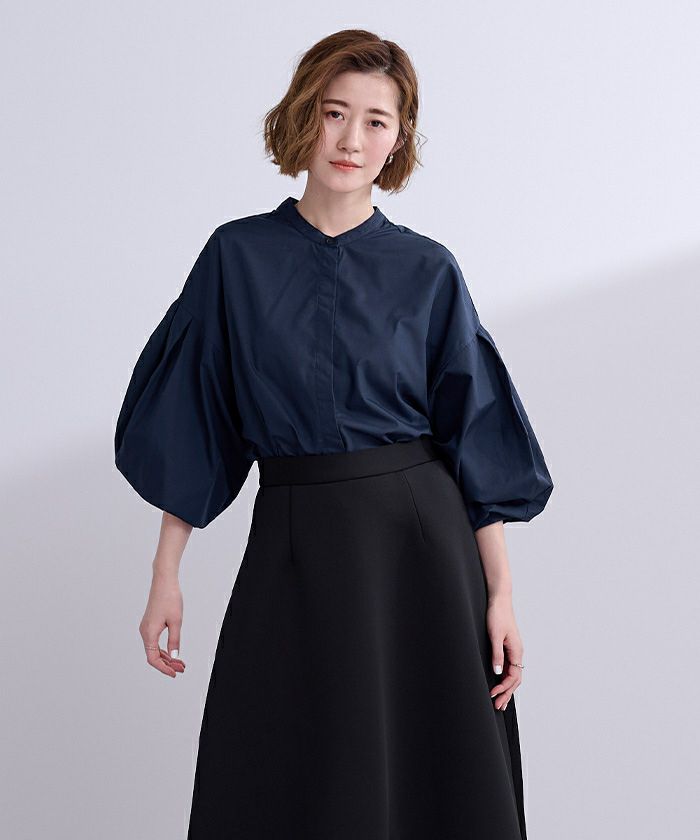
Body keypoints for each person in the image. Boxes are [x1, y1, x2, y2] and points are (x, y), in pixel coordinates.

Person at [114, 28, 553, 840]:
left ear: (399, 139)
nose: (351, 139)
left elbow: (474, 437)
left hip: (420, 552)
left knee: (430, 779)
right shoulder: (236, 257)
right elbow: (194, 419)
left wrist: (501, 595)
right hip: (294, 540)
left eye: (376, 121)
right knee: (283, 766)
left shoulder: (429, 269)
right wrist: (164, 574)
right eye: (334, 112)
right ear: (302, 117)